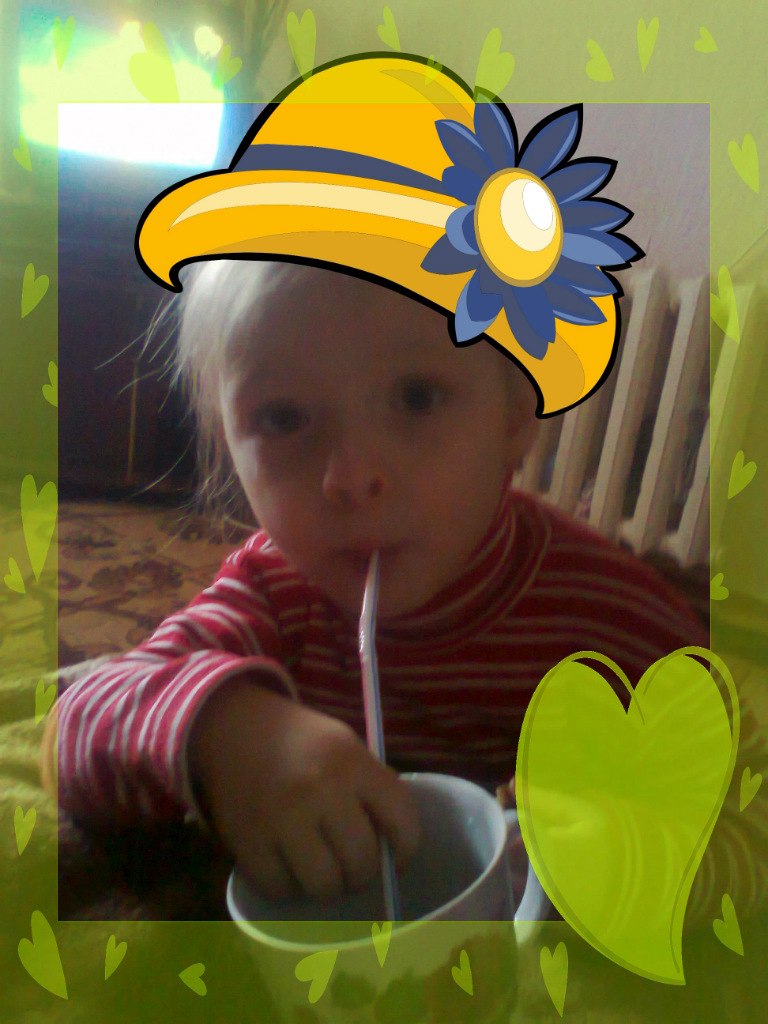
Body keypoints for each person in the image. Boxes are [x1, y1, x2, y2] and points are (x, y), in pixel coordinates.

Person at [45, 258, 730, 913]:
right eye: (283, 418)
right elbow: (75, 725)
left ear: (516, 415)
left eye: (416, 397)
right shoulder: (272, 593)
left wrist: (617, 857)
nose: (351, 478)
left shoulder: (615, 617)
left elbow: (737, 808)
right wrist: (230, 736)